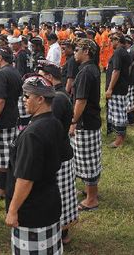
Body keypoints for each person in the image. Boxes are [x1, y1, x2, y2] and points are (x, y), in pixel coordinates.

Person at [5, 74, 64, 255]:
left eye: (27, 96)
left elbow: (25, 179)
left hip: (32, 210)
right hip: (49, 202)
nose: (23, 100)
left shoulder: (32, 134)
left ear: (40, 99)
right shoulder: (54, 123)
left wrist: (13, 210)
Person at [36, 61, 79, 245]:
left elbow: (51, 129)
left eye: (40, 77)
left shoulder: (58, 98)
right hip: (60, 153)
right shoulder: (58, 95)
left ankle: (61, 234)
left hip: (58, 156)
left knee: (60, 195)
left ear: (49, 78)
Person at [70, 38, 102, 212]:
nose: (75, 52)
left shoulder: (85, 72)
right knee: (89, 159)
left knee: (87, 161)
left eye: (77, 49)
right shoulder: (91, 68)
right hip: (91, 120)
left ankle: (92, 199)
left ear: (86, 52)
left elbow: (80, 101)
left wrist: (73, 121)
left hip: (85, 122)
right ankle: (91, 192)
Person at [0, 46, 23, 200]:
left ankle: (2, 189)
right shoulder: (14, 71)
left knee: (0, 157)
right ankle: (9, 185)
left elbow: (0, 99)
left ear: (1, 57)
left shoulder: (1, 74)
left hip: (2, 121)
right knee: (9, 155)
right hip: (13, 117)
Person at [106, 33, 131, 148]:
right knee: (120, 112)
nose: (110, 42)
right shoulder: (124, 52)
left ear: (118, 40)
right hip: (121, 87)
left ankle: (119, 140)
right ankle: (120, 136)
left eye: (112, 40)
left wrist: (110, 88)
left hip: (117, 88)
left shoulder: (118, 52)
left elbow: (116, 71)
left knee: (118, 114)